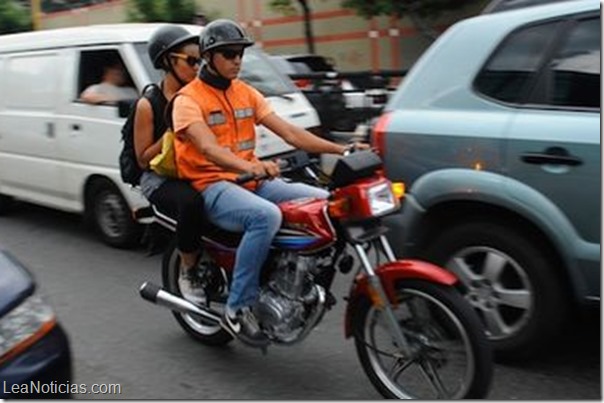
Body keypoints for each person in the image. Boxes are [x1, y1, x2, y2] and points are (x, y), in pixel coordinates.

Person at [172, 19, 366, 347]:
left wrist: (342, 148)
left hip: (251, 181)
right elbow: (208, 148)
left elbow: (290, 133)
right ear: (208, 56)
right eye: (229, 53)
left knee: (327, 201)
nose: (237, 60)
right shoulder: (187, 100)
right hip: (213, 186)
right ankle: (238, 306)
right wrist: (255, 166)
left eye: (240, 54)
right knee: (266, 217)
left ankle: (299, 281)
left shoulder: (245, 92)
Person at [134, 25, 206, 302]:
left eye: (200, 60)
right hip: (159, 178)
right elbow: (143, 159)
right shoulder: (147, 104)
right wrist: (171, 132)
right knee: (191, 202)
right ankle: (189, 271)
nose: (197, 66)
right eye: (191, 60)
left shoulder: (198, 96)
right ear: (168, 61)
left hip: (192, 168)